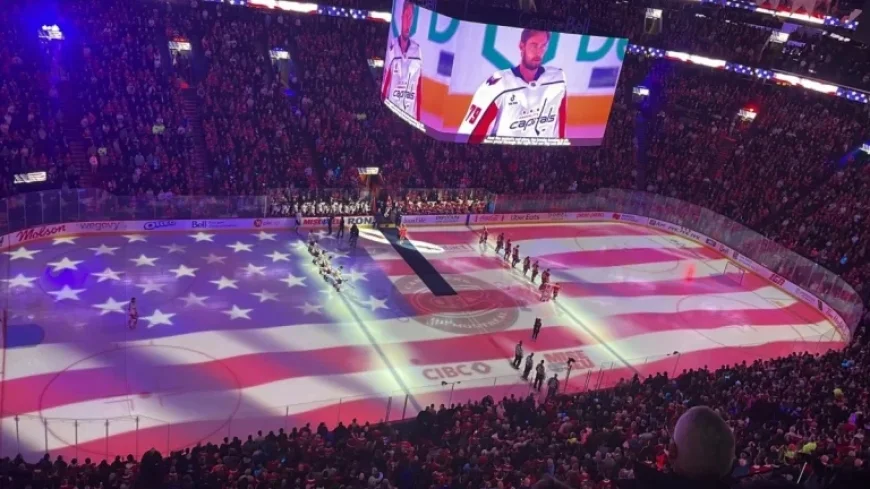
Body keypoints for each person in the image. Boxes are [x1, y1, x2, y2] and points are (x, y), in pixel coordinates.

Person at [458, 29, 567, 143]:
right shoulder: (500, 84)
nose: (538, 52)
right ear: (521, 46)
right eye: (533, 45)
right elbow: (469, 135)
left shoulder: (557, 79)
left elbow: (560, 132)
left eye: (543, 46)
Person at [382, 1, 423, 120]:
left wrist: (418, 119)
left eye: (411, 17)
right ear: (401, 17)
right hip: (392, 112)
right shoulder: (392, 47)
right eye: (406, 16)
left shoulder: (417, 50)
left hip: (409, 116)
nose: (408, 21)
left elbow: (419, 86)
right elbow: (386, 82)